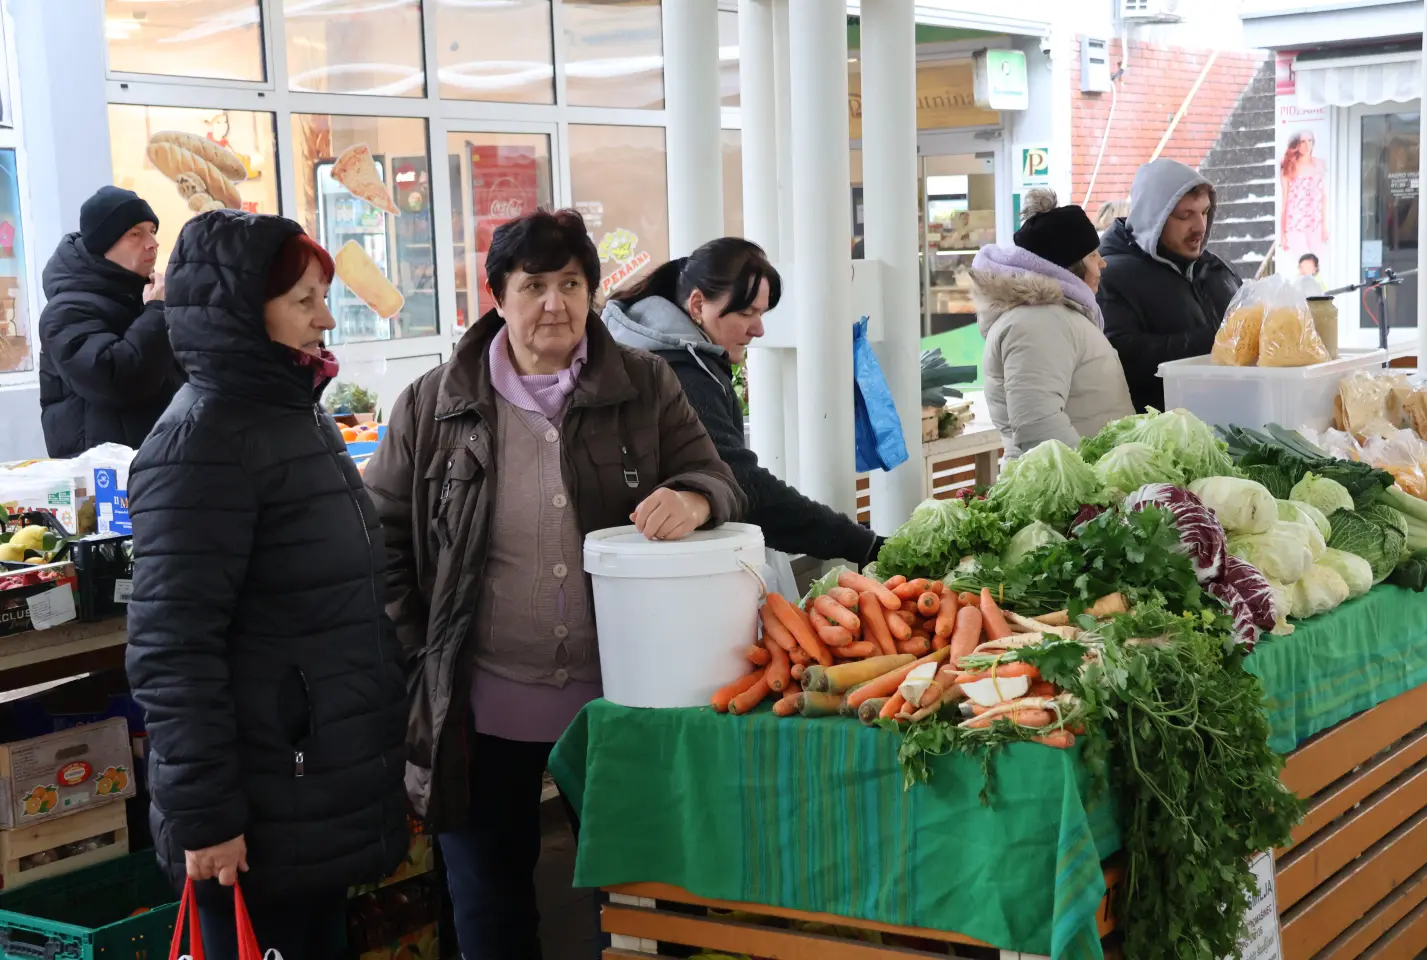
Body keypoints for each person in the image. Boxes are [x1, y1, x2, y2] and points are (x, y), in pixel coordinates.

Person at [362, 209, 743, 960]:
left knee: (642, 899)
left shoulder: (644, 384)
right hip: (481, 705)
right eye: (533, 284)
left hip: (618, 701)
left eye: (571, 283)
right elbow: (379, 537)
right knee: (491, 908)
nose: (554, 304)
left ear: (594, 293)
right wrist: (423, 654)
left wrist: (696, 499)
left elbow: (721, 479)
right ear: (497, 295)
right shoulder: (434, 403)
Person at [125, 211, 408, 960]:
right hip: (256, 803)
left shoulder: (292, 417)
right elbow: (172, 651)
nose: (326, 317)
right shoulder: (202, 445)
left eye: (323, 295)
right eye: (305, 300)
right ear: (244, 314)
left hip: (307, 786)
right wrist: (206, 819)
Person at [602, 238, 883, 566]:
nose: (759, 329)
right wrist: (863, 544)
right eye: (746, 312)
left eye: (761, 313)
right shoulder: (680, 373)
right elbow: (744, 484)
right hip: (673, 570)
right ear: (697, 305)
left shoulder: (663, 356)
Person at [972, 189, 1134, 457]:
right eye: (1093, 255)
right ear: (1068, 265)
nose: (1102, 264)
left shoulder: (1054, 316)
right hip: (1068, 490)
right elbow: (1040, 428)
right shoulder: (1037, 322)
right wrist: (1092, 484)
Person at [38, 186, 184, 457]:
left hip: (158, 462)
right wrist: (156, 311)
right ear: (103, 243)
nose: (152, 242)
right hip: (104, 478)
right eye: (135, 234)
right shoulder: (66, 311)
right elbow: (117, 381)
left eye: (152, 231)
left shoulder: (144, 296)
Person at [1097, 159, 1241, 413]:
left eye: (1205, 212)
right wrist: (1214, 341)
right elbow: (1122, 357)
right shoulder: (1109, 276)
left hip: (1231, 424)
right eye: (1185, 215)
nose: (1200, 227)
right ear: (1154, 217)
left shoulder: (1217, 269)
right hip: (1160, 436)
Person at [1279, 131, 1327, 257]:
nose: (1307, 145)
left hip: (1315, 223)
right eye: (1302, 141)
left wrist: (1324, 226)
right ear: (1297, 145)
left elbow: (1323, 197)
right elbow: (1284, 202)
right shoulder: (1288, 168)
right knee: (1303, 263)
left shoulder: (1320, 164)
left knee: (1317, 265)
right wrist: (1282, 234)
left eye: (1310, 141)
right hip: (1295, 224)